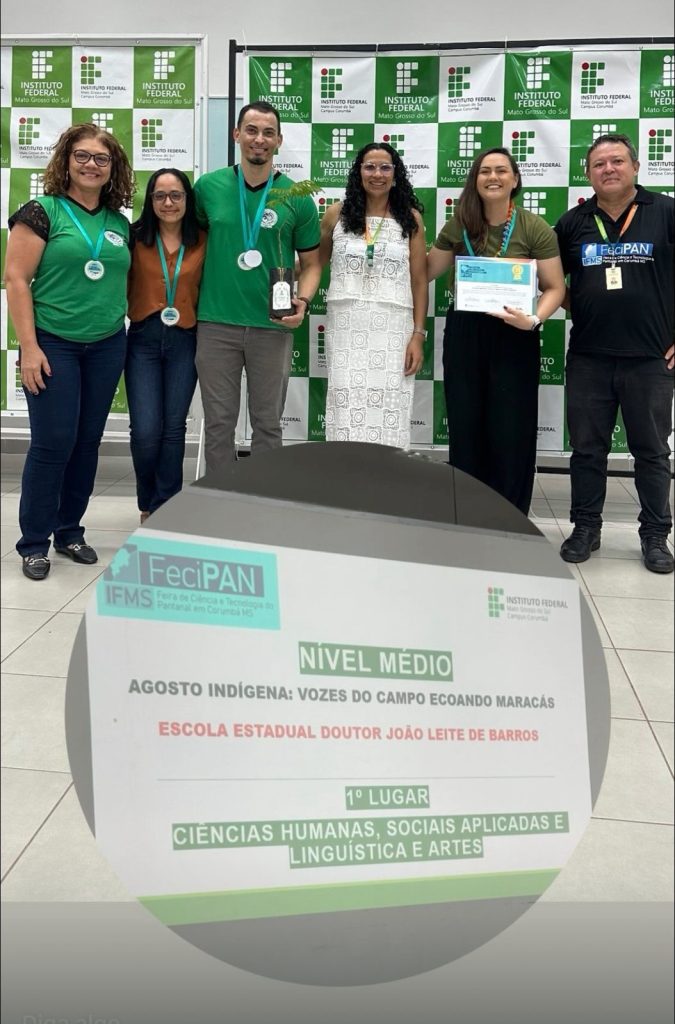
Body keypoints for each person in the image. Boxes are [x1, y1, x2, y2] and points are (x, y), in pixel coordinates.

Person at [5, 123, 134, 580]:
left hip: (105, 345)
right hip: (53, 342)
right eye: (82, 156)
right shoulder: (42, 212)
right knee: (53, 441)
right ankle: (34, 542)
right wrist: (29, 348)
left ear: (113, 167)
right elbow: (17, 280)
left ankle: (69, 531)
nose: (91, 165)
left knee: (85, 442)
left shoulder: (119, 222)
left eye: (102, 158)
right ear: (65, 160)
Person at [555, 134, 674, 574]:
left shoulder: (665, 212)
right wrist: (580, 304)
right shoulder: (573, 223)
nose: (609, 168)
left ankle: (655, 536)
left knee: (652, 451)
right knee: (587, 450)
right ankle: (586, 528)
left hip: (651, 358)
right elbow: (552, 282)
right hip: (589, 356)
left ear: (636, 167)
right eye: (599, 163)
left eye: (617, 161)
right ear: (588, 173)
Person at [427, 147, 565, 515]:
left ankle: (510, 514)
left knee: (512, 426)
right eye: (484, 171)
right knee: (465, 420)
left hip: (514, 331)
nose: (493, 177)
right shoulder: (458, 224)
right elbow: (426, 271)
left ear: (514, 179)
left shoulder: (533, 226)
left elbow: (555, 288)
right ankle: (467, 510)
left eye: (501, 170)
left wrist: (534, 319)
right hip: (466, 331)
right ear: (475, 179)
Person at [193, 101, 321, 472]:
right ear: (236, 135)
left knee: (268, 424)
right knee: (218, 424)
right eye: (251, 130)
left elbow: (312, 264)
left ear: (279, 141)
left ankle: (264, 503)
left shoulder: (297, 197)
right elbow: (193, 248)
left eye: (268, 133)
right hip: (216, 323)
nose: (259, 140)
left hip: (273, 324)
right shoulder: (208, 188)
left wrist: (304, 300)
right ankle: (219, 502)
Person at [318, 143, 427, 448]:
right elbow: (314, 263)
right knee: (346, 403)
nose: (377, 174)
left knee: (391, 403)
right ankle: (345, 485)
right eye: (370, 167)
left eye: (385, 167)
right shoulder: (335, 215)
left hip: (394, 328)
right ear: (359, 172)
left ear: (396, 174)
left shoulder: (411, 219)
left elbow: (419, 281)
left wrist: (418, 334)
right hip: (347, 327)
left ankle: (386, 486)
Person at [126, 169, 206, 524]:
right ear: (150, 200)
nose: (168, 203)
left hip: (185, 338)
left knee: (174, 428)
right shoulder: (132, 238)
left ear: (188, 200)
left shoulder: (204, 239)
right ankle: (147, 500)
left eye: (176, 195)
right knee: (145, 429)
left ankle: (163, 509)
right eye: (160, 196)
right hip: (142, 337)